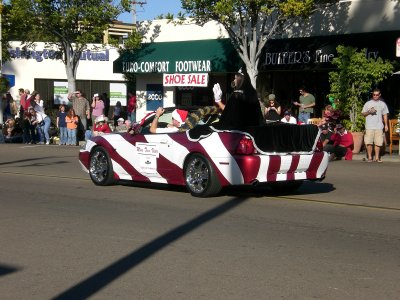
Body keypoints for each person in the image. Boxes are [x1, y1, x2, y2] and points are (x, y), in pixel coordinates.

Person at [361, 88, 389, 162]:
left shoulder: (383, 104)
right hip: (369, 126)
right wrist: (369, 112)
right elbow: (363, 113)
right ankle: (370, 157)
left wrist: (386, 125)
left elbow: (385, 115)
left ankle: (377, 158)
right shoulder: (368, 103)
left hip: (379, 126)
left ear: (379, 95)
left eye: (377, 95)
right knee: (368, 142)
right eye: (374, 95)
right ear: (372, 95)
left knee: (378, 142)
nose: (375, 96)